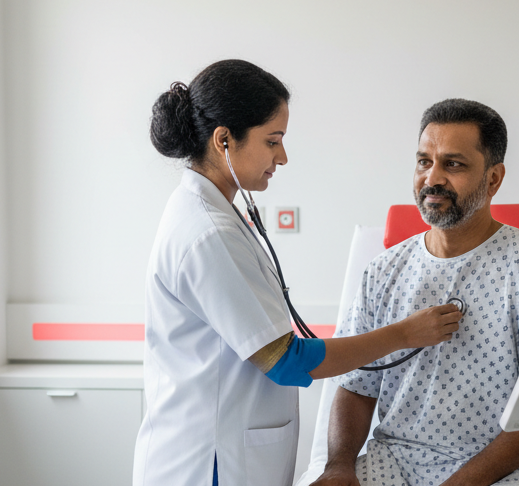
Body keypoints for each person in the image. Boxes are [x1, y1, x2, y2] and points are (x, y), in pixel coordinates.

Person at [133, 59, 463, 486]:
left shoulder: (214, 215)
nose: (282, 157)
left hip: (226, 448)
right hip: (208, 463)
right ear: (224, 140)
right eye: (273, 141)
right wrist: (405, 334)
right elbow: (286, 360)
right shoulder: (208, 233)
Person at [311, 99, 519, 486]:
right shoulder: (384, 271)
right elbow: (357, 385)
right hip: (398, 460)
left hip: (513, 470)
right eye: (424, 161)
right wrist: (338, 466)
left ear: (493, 179)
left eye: (453, 164)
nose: (432, 178)